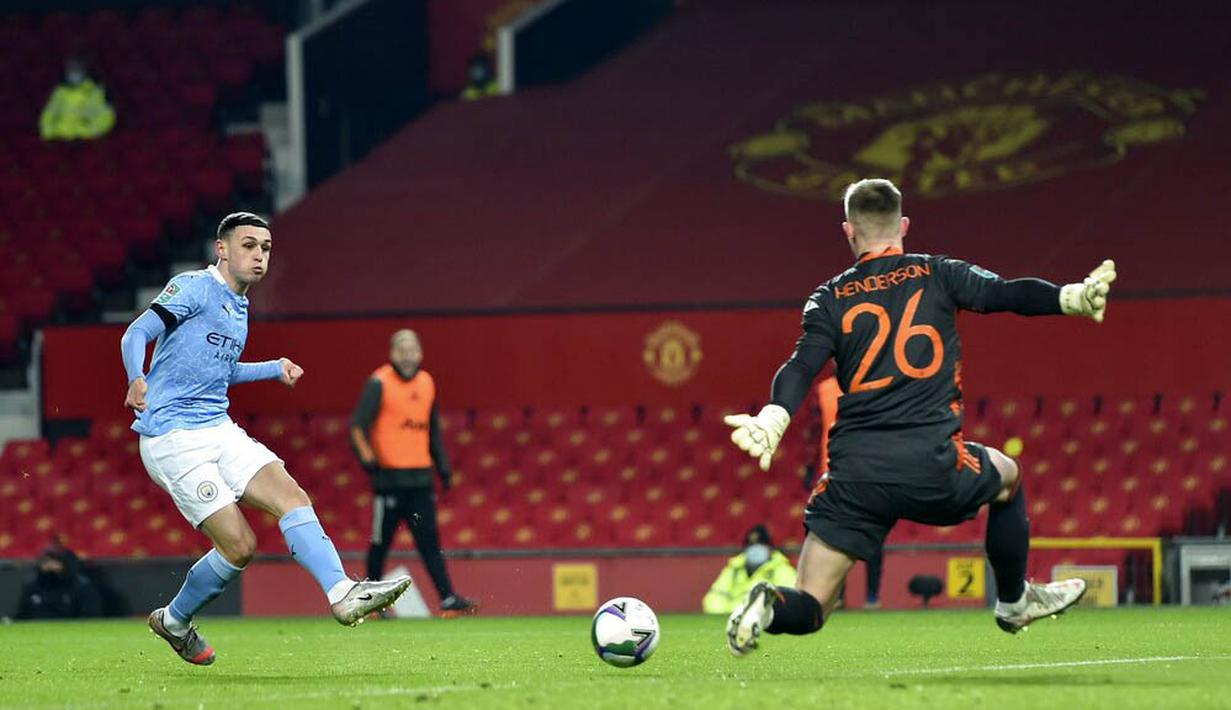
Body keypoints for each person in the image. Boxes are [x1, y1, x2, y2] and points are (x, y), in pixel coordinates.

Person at [722, 178, 1114, 656]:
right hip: (932, 464)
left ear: (848, 231)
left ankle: (768, 607)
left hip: (855, 475)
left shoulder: (829, 297)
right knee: (1008, 477)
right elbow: (1007, 294)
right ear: (904, 224)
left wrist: (774, 417)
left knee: (813, 603)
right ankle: (1014, 601)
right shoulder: (938, 273)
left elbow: (802, 365)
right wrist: (1069, 298)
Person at [121, 212, 411, 666]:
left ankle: (342, 593)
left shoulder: (240, 307)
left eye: (266, 249)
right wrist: (137, 377)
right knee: (240, 547)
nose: (259, 256)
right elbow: (137, 331)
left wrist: (273, 367)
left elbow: (221, 370)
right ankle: (174, 621)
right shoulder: (194, 287)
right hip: (172, 437)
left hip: (217, 427)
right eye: (249, 246)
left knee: (291, 495)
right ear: (223, 248)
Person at [350, 329, 478, 617]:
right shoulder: (379, 382)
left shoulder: (427, 382)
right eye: (402, 349)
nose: (407, 355)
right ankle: (370, 603)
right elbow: (358, 426)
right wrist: (369, 461)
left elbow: (432, 429)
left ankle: (448, 600)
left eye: (413, 349)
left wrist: (443, 467)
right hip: (389, 482)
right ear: (392, 353)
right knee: (380, 544)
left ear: (420, 353)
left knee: (430, 543)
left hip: (420, 480)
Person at [804, 376, 884, 609]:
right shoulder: (823, 390)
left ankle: (872, 597)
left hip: (869, 472)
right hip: (832, 472)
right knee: (834, 535)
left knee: (874, 536)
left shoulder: (876, 384)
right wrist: (810, 469)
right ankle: (837, 596)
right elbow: (814, 430)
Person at [702, 524, 796, 615]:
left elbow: (789, 600)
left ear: (770, 548)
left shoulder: (782, 569)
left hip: (765, 620)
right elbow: (715, 596)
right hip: (732, 616)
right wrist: (727, 616)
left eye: (760, 544)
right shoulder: (734, 568)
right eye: (751, 544)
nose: (755, 548)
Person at [14, 538, 101, 620]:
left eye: (55, 561)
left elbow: (90, 617)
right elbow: (21, 616)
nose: (50, 565)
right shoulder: (32, 587)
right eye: (46, 561)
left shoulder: (81, 587)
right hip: (37, 629)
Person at [39, 57, 116, 141]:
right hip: (60, 139)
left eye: (77, 69)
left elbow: (106, 117)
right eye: (71, 69)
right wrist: (49, 135)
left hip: (87, 141)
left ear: (84, 70)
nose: (73, 73)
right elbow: (49, 114)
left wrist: (88, 133)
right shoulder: (60, 92)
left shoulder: (94, 91)